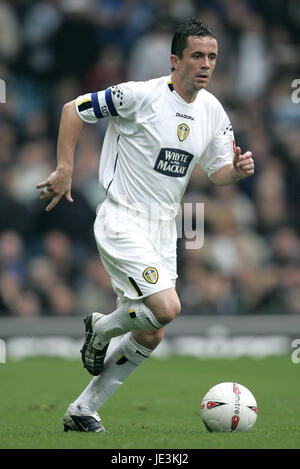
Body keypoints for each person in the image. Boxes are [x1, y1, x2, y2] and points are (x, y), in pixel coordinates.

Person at [36, 19, 254, 433]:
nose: (205, 64)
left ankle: (82, 411)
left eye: (211, 57)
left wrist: (237, 172)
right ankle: (101, 328)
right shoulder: (139, 95)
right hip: (122, 218)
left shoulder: (212, 110)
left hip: (164, 228)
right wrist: (65, 168)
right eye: (197, 56)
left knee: (152, 333)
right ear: (175, 60)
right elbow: (73, 110)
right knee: (167, 308)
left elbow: (217, 170)